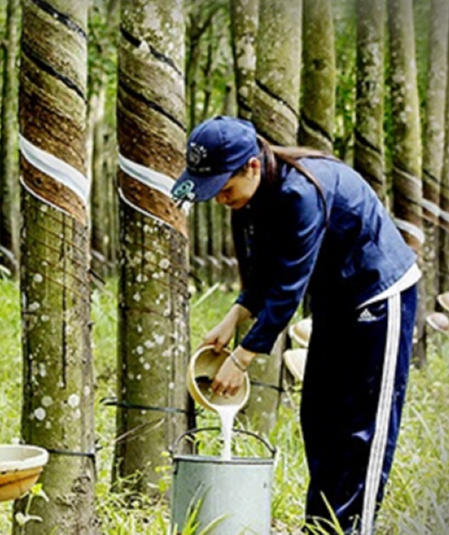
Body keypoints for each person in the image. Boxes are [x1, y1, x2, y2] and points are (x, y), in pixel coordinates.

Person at [171, 116, 420, 534]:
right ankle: (320, 527)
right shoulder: (251, 200)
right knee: (319, 418)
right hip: (333, 304)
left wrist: (243, 356)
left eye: (223, 188)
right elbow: (263, 270)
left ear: (251, 165)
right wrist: (234, 317)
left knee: (362, 428)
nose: (220, 199)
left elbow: (288, 283)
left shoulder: (300, 192)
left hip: (378, 296)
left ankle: (352, 529)